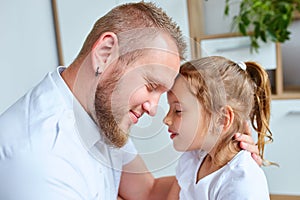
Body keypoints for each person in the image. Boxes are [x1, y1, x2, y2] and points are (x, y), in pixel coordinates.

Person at [0, 2, 260, 200]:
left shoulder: (99, 114)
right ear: (105, 53)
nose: (154, 108)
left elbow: (148, 192)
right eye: (150, 86)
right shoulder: (40, 161)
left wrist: (218, 168)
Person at [164, 56, 273, 200]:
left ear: (221, 119)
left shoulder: (242, 182)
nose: (166, 119)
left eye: (178, 110)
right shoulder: (191, 160)